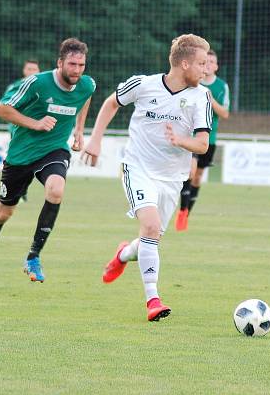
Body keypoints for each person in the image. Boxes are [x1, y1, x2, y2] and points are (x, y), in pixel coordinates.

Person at [82, 34, 212, 321]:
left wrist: (181, 141)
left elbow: (202, 145)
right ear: (185, 63)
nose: (206, 70)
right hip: (137, 168)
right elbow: (111, 103)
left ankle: (122, 255)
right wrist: (95, 140)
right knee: (151, 227)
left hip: (172, 178)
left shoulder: (201, 96)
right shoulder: (143, 84)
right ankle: (153, 300)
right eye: (202, 64)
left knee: (149, 237)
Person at [0, 38, 95, 290]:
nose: (77, 70)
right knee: (4, 213)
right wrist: (35, 123)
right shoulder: (37, 83)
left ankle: (33, 257)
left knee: (56, 189)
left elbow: (86, 98)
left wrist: (80, 131)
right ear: (60, 63)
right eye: (72, 64)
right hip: (21, 156)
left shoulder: (87, 84)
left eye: (81, 64)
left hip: (54, 150)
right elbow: (1, 109)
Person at [175, 48, 230, 231]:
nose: (208, 65)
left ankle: (187, 213)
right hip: (192, 136)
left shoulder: (221, 86)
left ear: (216, 66)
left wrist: (210, 99)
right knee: (190, 172)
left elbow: (224, 113)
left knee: (197, 177)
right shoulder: (192, 83)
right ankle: (182, 209)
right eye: (205, 62)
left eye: (212, 62)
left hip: (209, 138)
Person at [3, 60, 40, 201]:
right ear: (24, 71)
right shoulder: (15, 87)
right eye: (29, 69)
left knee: (32, 159)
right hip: (17, 129)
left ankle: (21, 186)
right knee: (17, 159)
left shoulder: (42, 88)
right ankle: (13, 186)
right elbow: (5, 107)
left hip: (35, 130)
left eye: (34, 69)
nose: (32, 72)